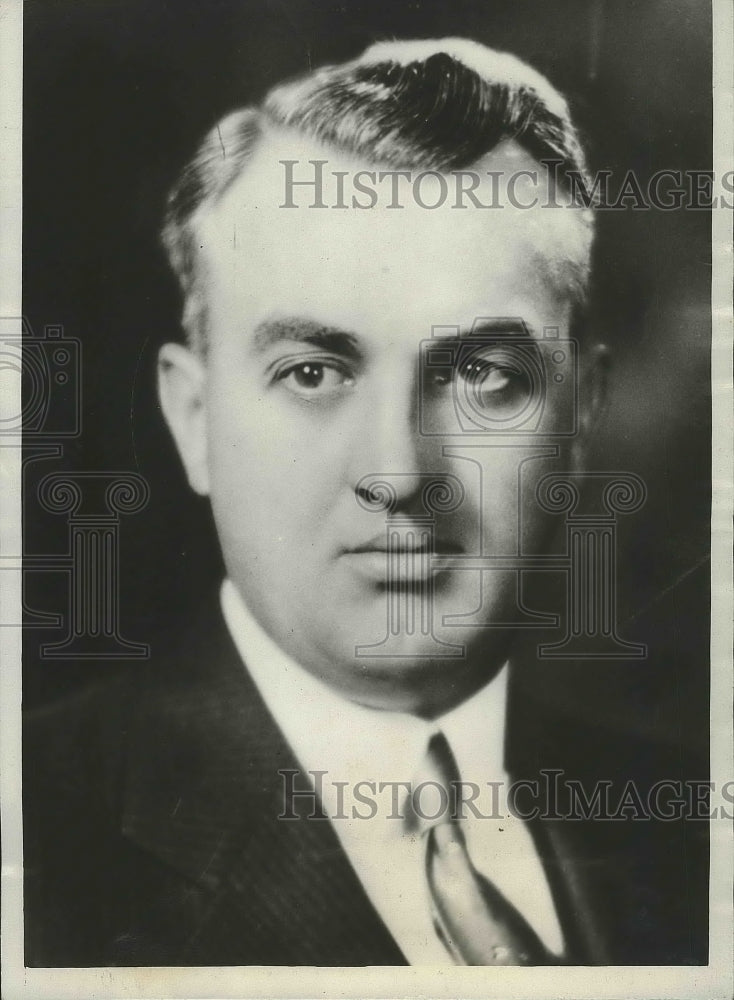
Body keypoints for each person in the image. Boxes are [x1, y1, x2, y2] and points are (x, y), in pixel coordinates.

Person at [23, 36, 707, 967]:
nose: (396, 469)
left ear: (579, 417)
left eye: (480, 374)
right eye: (312, 372)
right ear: (192, 420)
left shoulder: (690, 827)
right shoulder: (35, 847)